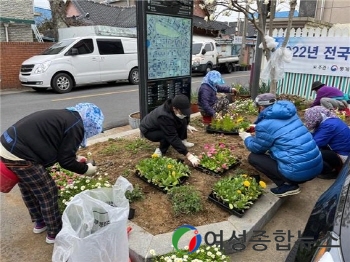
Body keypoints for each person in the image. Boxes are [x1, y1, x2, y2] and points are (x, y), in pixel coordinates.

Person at [0, 103, 104, 244]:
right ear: (90, 122)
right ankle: (54, 233)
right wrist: (86, 170)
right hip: (22, 154)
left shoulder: (68, 116)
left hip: (7, 145)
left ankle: (40, 223)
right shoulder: (76, 126)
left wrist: (75, 158)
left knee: (28, 188)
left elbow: (55, 144)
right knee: (47, 192)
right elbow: (65, 161)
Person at [238, 93, 323, 197]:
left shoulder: (264, 125)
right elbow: (279, 129)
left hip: (298, 173)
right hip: (315, 167)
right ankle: (290, 179)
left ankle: (287, 185)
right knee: (275, 149)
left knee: (254, 157)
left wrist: (246, 137)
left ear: (260, 107)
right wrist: (257, 128)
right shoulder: (291, 114)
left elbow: (256, 148)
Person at [139, 94, 200, 166]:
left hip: (160, 125)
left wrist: (187, 125)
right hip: (149, 130)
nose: (184, 114)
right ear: (175, 108)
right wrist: (188, 155)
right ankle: (160, 151)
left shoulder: (178, 108)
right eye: (182, 112)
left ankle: (183, 141)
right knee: (166, 136)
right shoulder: (164, 116)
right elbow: (172, 136)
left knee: (182, 121)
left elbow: (185, 116)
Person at [304, 106, 350, 179]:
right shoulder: (333, 120)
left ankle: (329, 171)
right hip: (346, 153)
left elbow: (314, 144)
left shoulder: (328, 126)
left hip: (344, 157)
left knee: (312, 153)